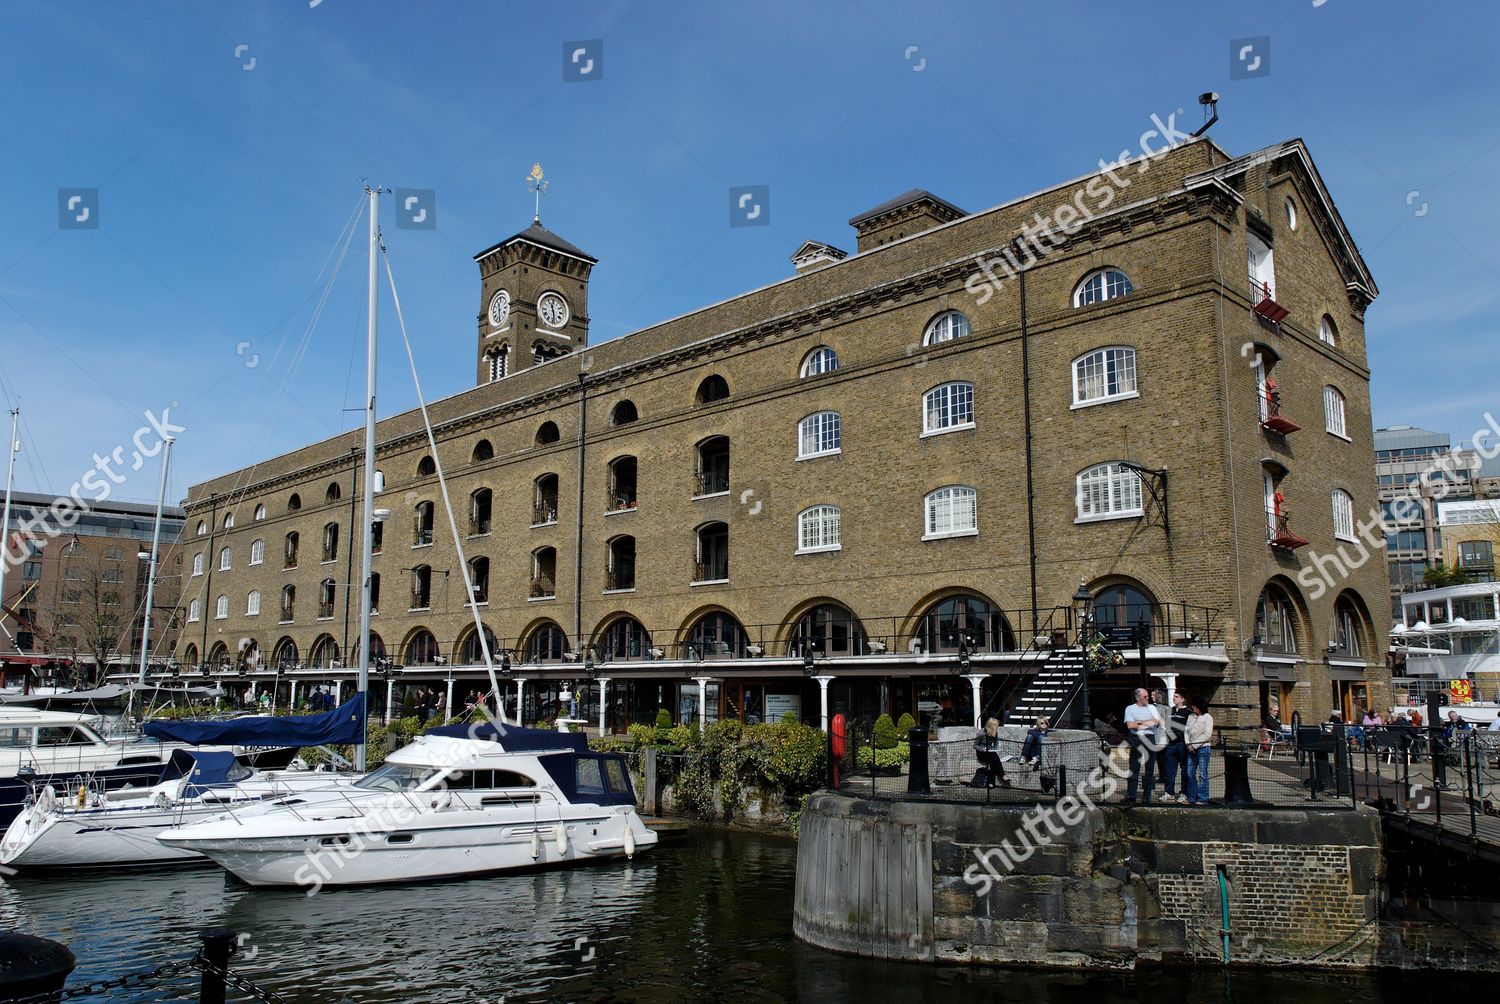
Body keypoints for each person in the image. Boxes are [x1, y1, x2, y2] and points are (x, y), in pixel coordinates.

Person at [1123, 689, 1161, 804]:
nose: (1147, 698)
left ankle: (1147, 796)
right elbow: (1130, 725)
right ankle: (1131, 795)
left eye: (1147, 696)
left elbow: (1157, 722)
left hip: (1150, 738)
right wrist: (1148, 722)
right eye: (1145, 696)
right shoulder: (1130, 708)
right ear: (1138, 698)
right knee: (1134, 767)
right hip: (1137, 739)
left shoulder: (1152, 708)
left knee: (1150, 768)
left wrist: (1139, 722)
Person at [1161, 692, 1191, 803]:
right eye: (1173, 696)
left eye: (1177, 696)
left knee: (1184, 770)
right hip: (1171, 744)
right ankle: (1169, 793)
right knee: (1169, 770)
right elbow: (1165, 726)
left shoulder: (1188, 712)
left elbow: (1188, 728)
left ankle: (1184, 793)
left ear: (1183, 699)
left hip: (1182, 744)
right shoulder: (1169, 711)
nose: (1174, 698)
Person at [1185, 697, 1214, 806]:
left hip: (1203, 748)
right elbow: (1186, 732)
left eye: (1194, 706)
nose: (1193, 708)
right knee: (1190, 772)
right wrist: (1188, 744)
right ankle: (1192, 797)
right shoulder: (1191, 717)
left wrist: (1195, 745)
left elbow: (1207, 734)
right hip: (1190, 748)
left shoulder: (1208, 718)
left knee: (1202, 774)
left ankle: (1202, 798)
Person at [971, 718, 1010, 789]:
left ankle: (991, 783)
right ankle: (1002, 775)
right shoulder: (981, 733)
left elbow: (995, 744)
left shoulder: (995, 733)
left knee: (992, 760)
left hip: (990, 752)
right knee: (993, 756)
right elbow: (975, 745)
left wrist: (994, 748)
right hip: (981, 753)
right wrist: (982, 749)